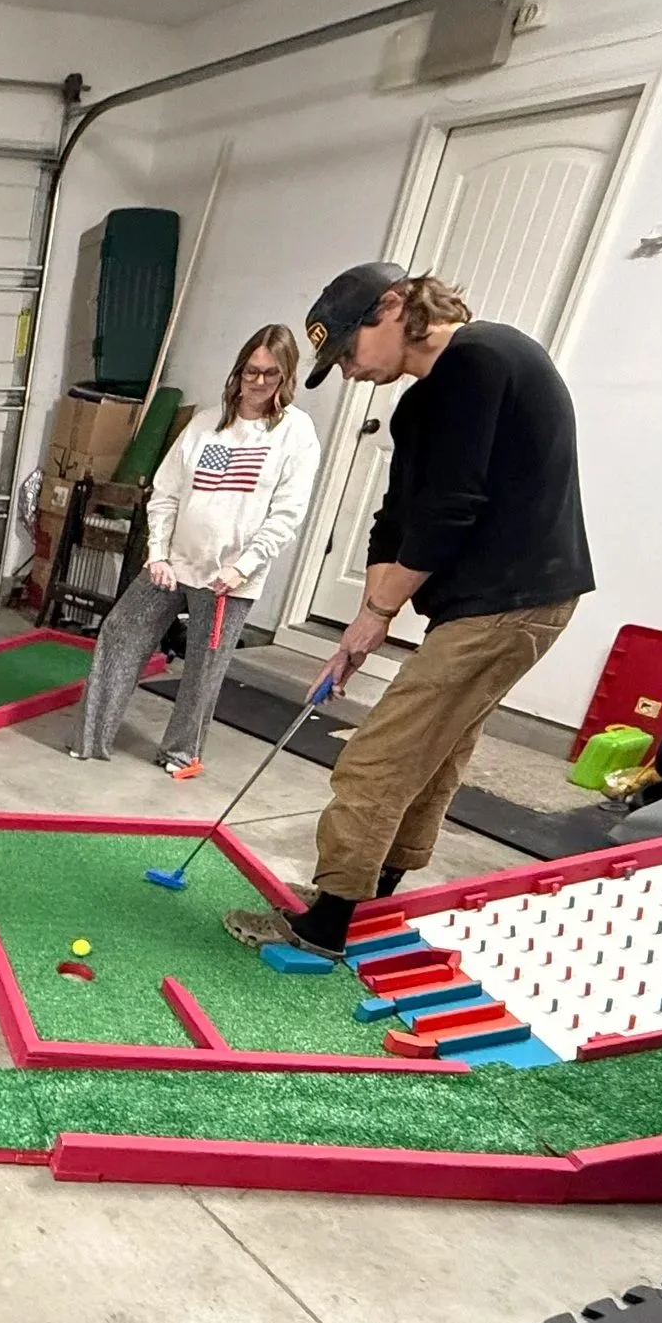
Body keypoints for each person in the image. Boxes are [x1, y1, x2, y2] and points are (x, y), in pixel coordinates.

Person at [224, 262, 595, 961]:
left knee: (380, 753)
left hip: (513, 600)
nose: (351, 372)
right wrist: (371, 614)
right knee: (436, 745)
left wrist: (379, 613)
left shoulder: (480, 360)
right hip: (499, 602)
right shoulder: (424, 400)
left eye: (349, 352)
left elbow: (453, 511)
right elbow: (398, 517)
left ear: (392, 307)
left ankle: (328, 923)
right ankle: (377, 894)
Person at [69, 324, 321, 772]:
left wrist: (244, 567)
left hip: (229, 578)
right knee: (120, 633)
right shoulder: (206, 424)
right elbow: (166, 492)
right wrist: (157, 554)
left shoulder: (295, 433)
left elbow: (287, 513)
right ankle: (90, 738)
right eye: (251, 371)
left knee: (204, 668)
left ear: (286, 378)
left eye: (270, 374)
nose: (258, 382)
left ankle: (181, 752)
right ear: (238, 371)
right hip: (172, 564)